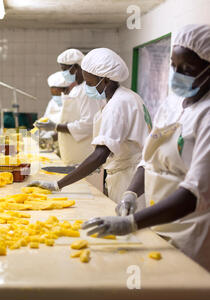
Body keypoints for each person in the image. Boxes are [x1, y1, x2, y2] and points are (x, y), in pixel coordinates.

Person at [82, 24, 210, 271]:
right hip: (155, 220)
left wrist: (131, 222)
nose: (177, 74)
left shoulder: (206, 116)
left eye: (188, 69)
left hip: (189, 231)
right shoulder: (172, 104)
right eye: (173, 66)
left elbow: (194, 194)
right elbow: (148, 158)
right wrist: (131, 193)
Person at [29, 48, 152, 206]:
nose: (87, 88)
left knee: (131, 226)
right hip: (131, 174)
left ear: (105, 80)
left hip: (129, 179)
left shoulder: (117, 105)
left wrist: (58, 184)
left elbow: (101, 153)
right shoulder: (128, 96)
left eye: (90, 83)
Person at [36, 49, 105, 165]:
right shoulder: (77, 90)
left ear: (75, 68)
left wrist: (56, 127)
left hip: (85, 155)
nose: (63, 74)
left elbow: (88, 125)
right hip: (74, 153)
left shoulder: (88, 92)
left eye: (64, 70)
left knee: (86, 183)